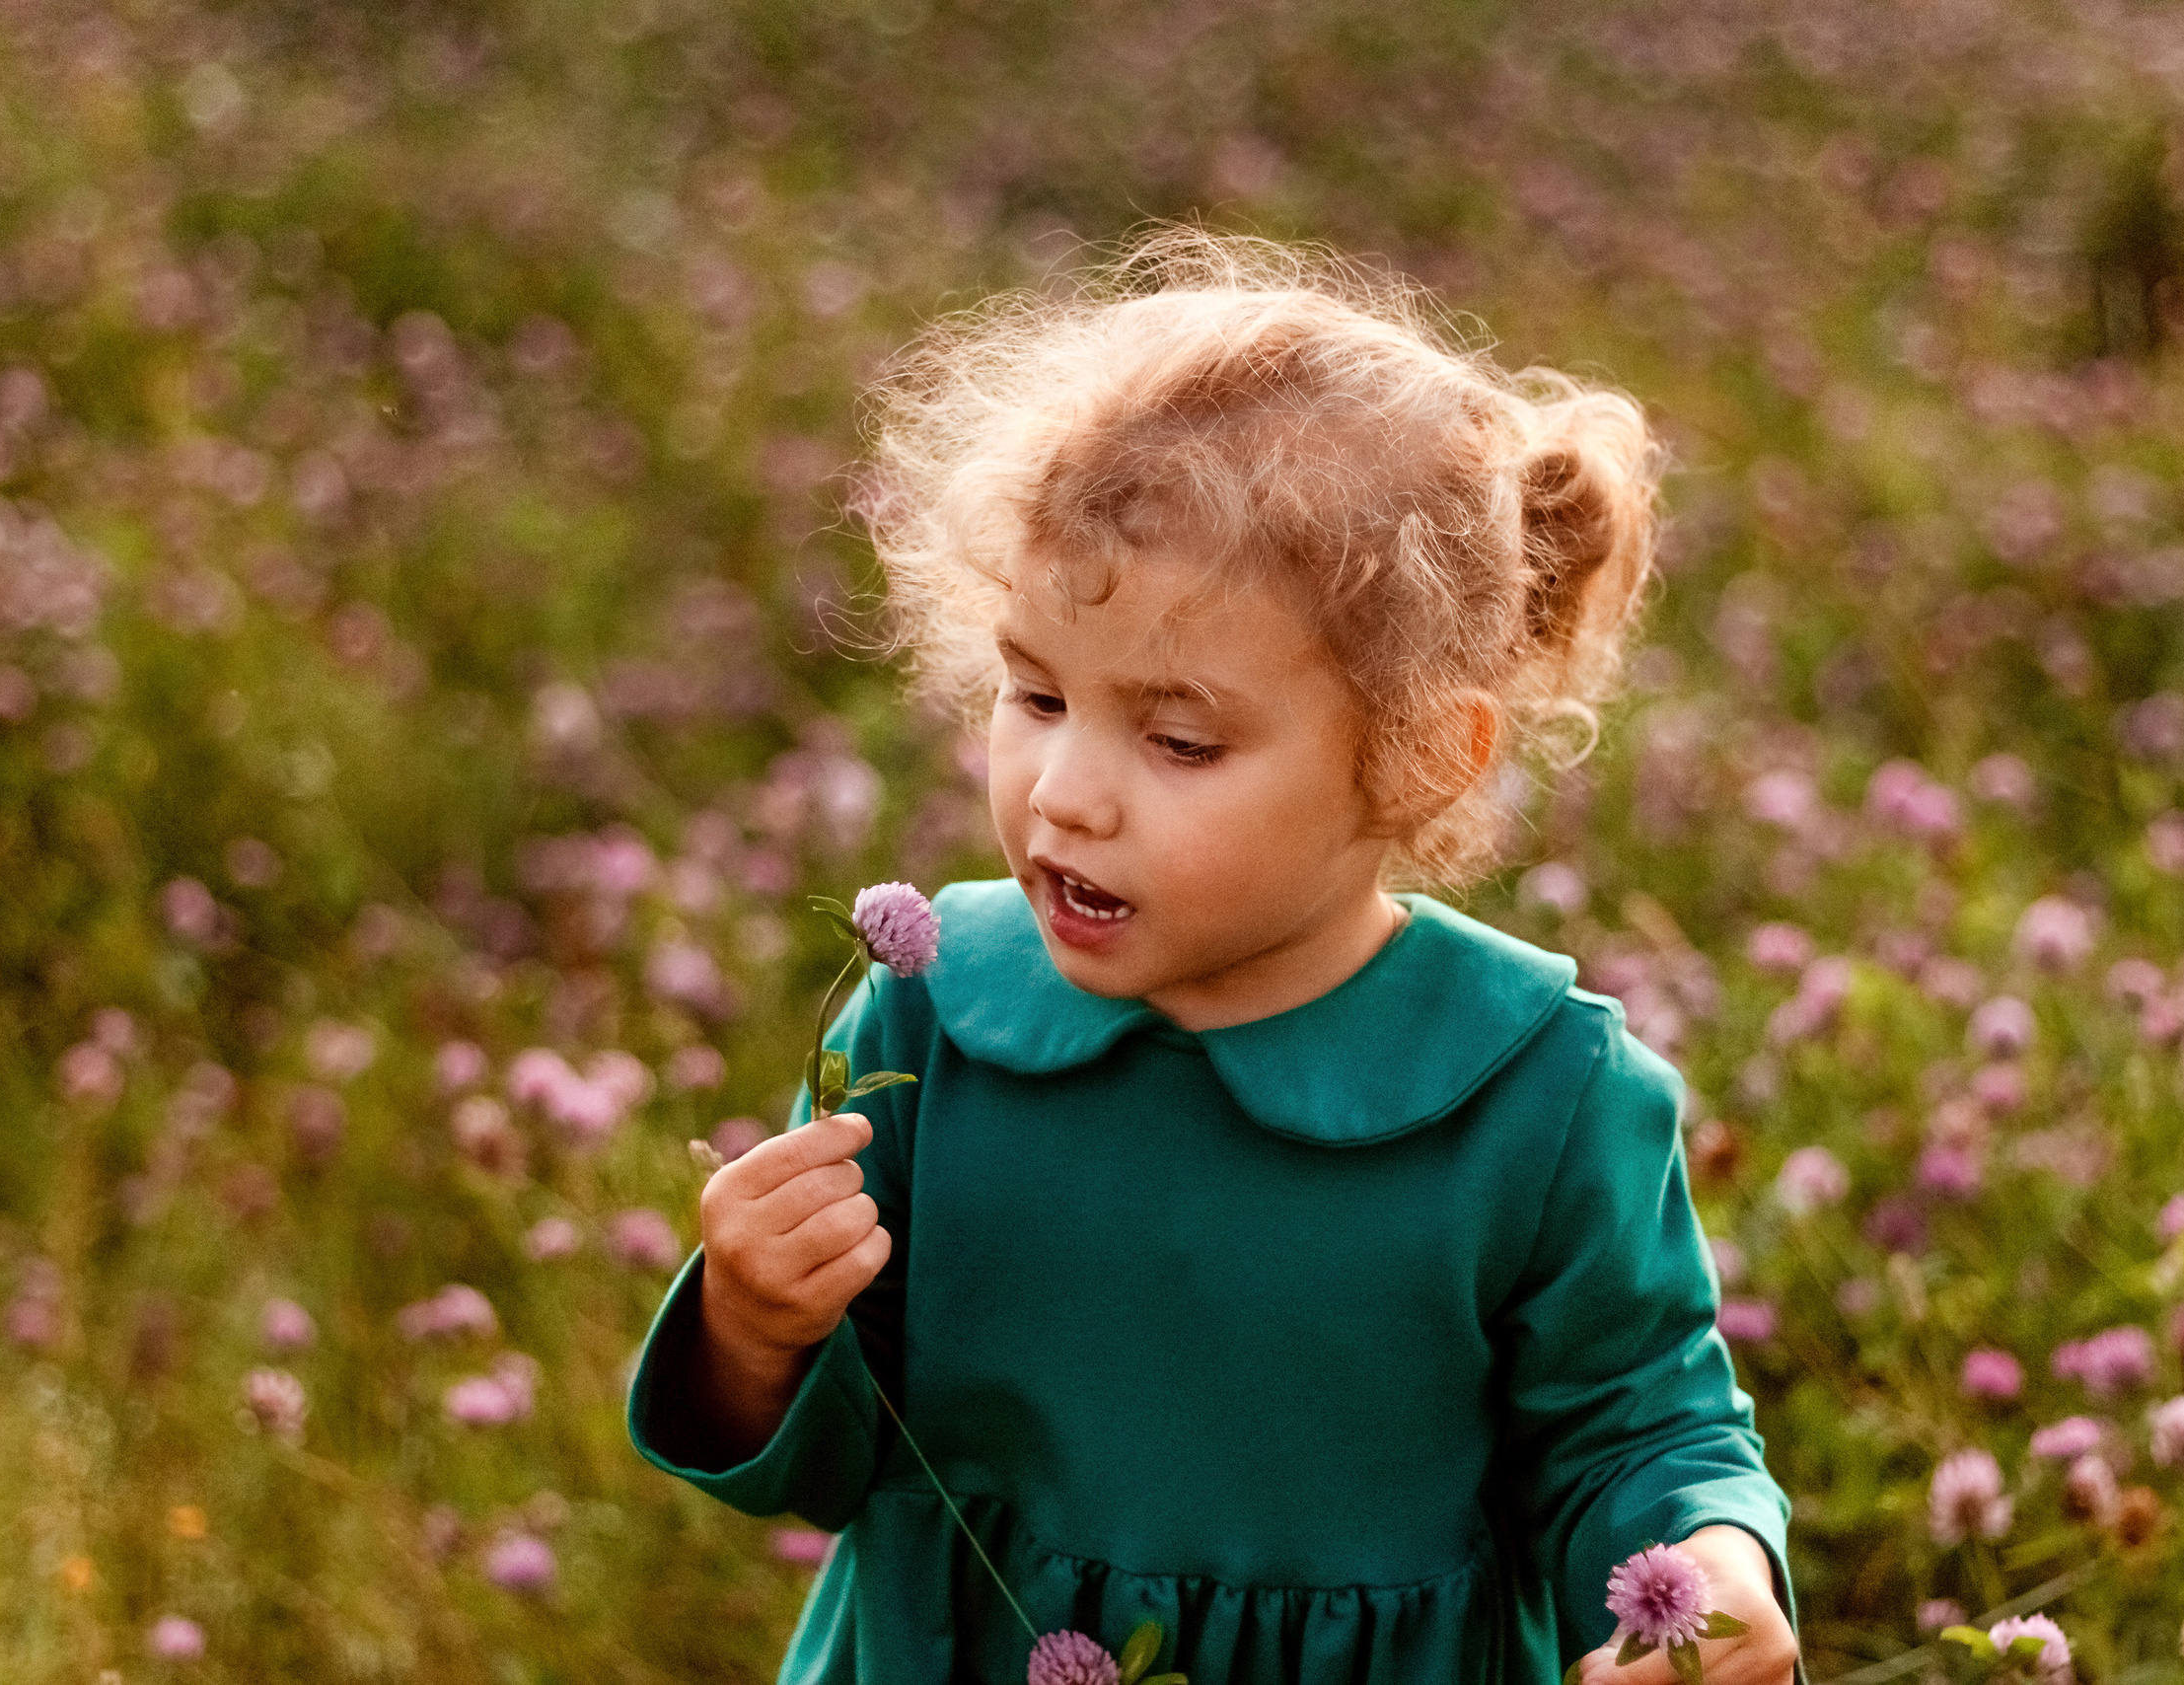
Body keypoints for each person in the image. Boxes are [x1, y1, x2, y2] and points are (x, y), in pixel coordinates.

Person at [628, 231, 1797, 1685]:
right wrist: (750, 1321)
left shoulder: (1540, 1095)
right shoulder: (930, 1018)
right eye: (1036, 693)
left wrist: (1712, 1577)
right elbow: (821, 1460)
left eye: (1179, 739)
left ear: (1424, 755)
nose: (1066, 792)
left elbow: (1640, 1426)